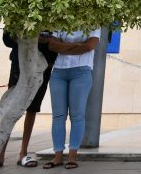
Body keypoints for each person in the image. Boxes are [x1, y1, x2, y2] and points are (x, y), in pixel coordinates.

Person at [0, 31, 58, 168]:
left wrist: (48, 49)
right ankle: (0, 153)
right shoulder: (17, 14)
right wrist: (30, 39)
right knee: (10, 107)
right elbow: (7, 39)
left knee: (32, 108)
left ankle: (23, 153)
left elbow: (57, 41)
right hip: (19, 63)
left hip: (43, 65)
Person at [42, 29, 101, 170]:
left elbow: (90, 45)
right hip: (58, 71)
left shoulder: (93, 20)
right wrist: (77, 46)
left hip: (81, 71)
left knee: (77, 115)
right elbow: (52, 45)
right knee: (58, 115)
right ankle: (57, 156)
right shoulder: (61, 18)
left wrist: (63, 46)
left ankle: (73, 155)